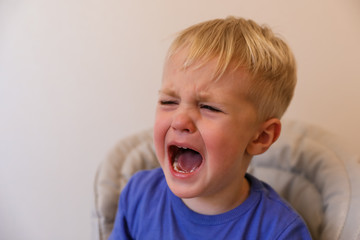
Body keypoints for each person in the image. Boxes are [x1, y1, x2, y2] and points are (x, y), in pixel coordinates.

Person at [109, 16, 312, 239]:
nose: (179, 121)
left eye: (208, 107)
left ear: (261, 137)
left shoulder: (280, 231)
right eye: (169, 102)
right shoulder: (138, 196)